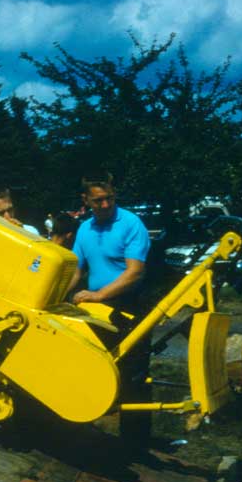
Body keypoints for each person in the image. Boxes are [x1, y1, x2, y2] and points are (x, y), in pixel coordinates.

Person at [67, 171, 152, 451]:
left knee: (133, 375)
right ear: (86, 200)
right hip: (97, 308)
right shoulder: (85, 229)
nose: (105, 205)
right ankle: (83, 430)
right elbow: (76, 270)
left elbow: (135, 272)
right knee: (90, 366)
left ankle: (135, 443)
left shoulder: (130, 224)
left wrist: (99, 294)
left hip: (130, 306)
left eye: (109, 199)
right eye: (98, 201)